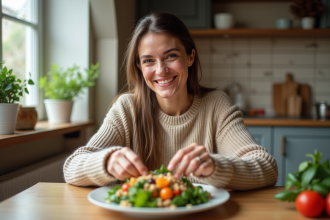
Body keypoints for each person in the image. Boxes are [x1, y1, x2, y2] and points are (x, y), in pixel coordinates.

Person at [64, 12, 278, 190]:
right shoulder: (126, 109)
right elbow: (71, 167)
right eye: (148, 61)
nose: (160, 70)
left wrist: (216, 166)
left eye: (171, 56)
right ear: (140, 67)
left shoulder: (217, 105)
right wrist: (107, 162)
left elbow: (267, 167)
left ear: (190, 57)